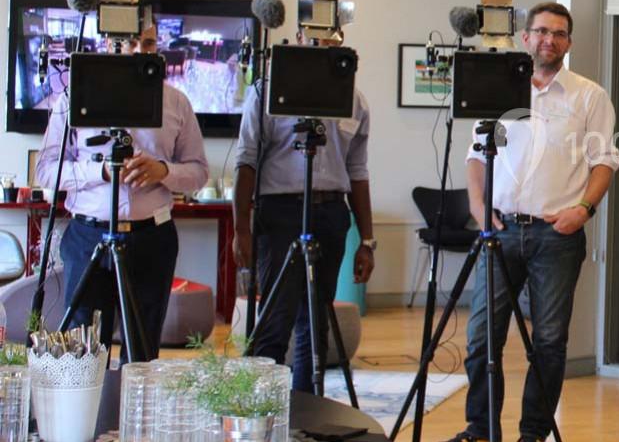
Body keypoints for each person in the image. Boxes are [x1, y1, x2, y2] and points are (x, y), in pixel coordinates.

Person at [432, 2, 619, 442]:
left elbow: (604, 162)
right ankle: (480, 430)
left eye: (558, 34)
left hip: (557, 235)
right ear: (524, 38)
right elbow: (477, 157)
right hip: (499, 231)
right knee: (481, 338)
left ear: (568, 43)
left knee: (550, 341)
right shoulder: (498, 91)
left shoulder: (588, 96)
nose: (547, 40)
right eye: (539, 32)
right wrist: (477, 207)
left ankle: (533, 435)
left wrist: (584, 209)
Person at [37, 24, 208, 360]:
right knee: (80, 354)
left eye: (147, 43)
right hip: (88, 235)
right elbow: (46, 171)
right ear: (107, 44)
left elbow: (200, 172)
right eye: (129, 41)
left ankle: (133, 413)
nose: (138, 51)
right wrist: (100, 171)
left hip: (152, 239)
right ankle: (86, 414)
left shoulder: (176, 102)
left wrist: (164, 172)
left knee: (142, 354)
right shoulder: (72, 97)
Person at [232, 28, 375, 393]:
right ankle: (261, 411)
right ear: (298, 38)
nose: (324, 46)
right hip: (280, 213)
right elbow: (246, 161)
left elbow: (358, 170)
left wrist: (368, 240)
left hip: (331, 213)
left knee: (316, 319)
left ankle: (307, 410)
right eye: (316, 37)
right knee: (276, 317)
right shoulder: (266, 90)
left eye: (332, 39)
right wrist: (241, 230)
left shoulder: (354, 100)